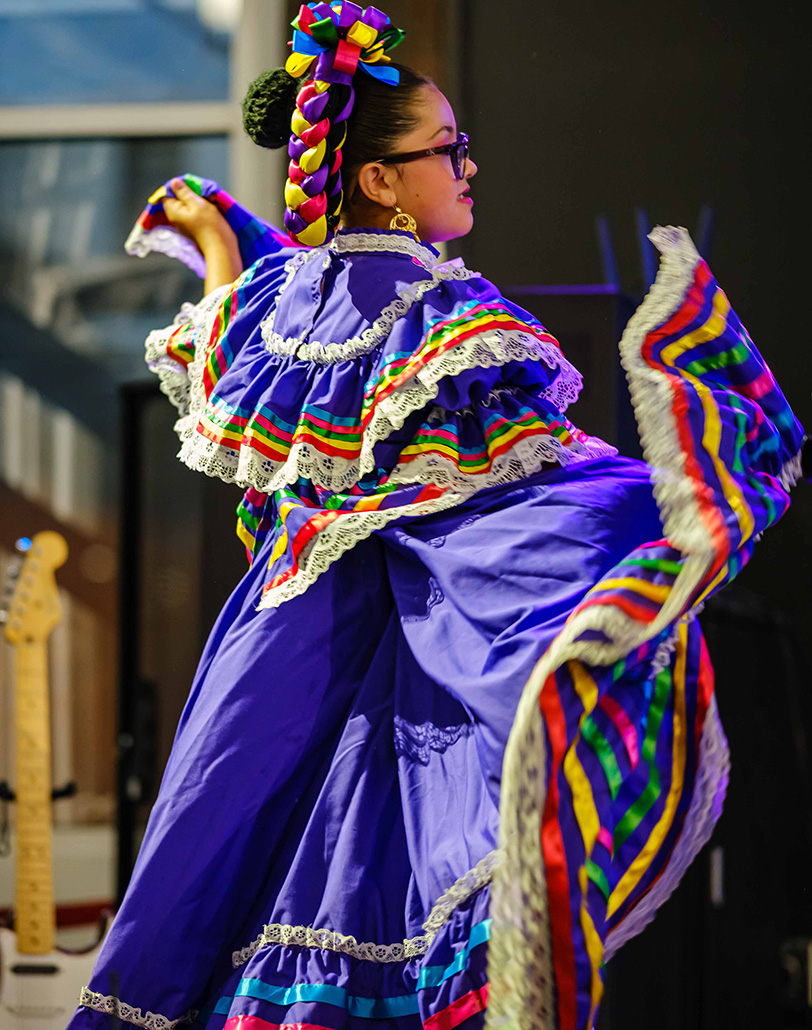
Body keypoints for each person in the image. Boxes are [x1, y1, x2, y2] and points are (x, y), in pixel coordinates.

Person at [66, 4, 803, 1030]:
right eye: (445, 147)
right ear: (378, 179)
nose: (466, 166)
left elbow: (231, 332)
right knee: (380, 872)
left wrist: (210, 228)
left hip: (264, 663)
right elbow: (508, 488)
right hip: (384, 661)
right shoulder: (438, 318)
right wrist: (678, 494)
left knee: (222, 864)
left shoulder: (286, 298)